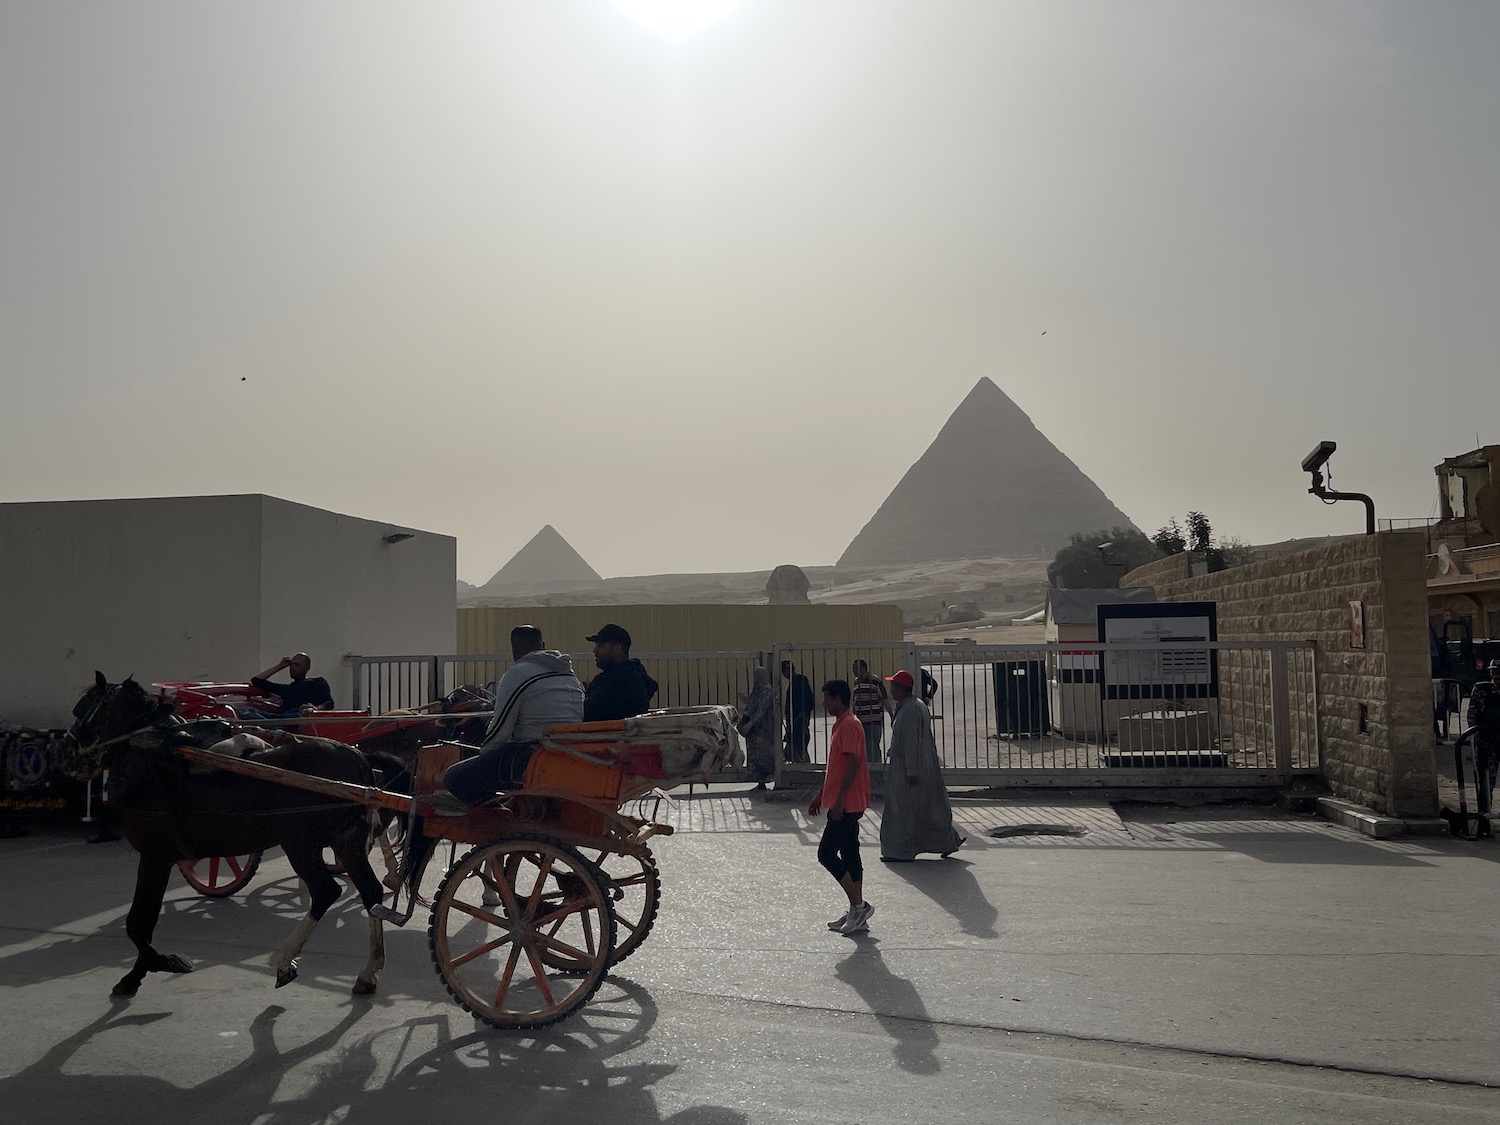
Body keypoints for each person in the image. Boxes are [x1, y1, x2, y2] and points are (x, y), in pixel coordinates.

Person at [443, 625, 584, 804]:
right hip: (567, 753)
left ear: (514, 648)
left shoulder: (518, 673)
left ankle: (495, 819)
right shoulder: (569, 675)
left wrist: (484, 755)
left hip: (530, 755)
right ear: (543, 645)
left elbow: (500, 729)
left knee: (454, 778)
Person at [880, 670, 965, 862]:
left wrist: (911, 770)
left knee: (902, 811)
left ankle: (899, 851)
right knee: (926, 810)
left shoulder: (910, 709)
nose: (890, 690)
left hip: (909, 770)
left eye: (893, 686)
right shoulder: (912, 705)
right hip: (916, 765)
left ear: (901, 689)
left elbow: (911, 741)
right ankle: (946, 841)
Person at [811, 679, 874, 935]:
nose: (824, 703)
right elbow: (835, 766)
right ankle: (856, 910)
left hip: (847, 803)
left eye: (827, 698)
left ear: (837, 699)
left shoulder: (848, 725)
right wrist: (820, 795)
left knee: (826, 853)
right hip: (846, 801)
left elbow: (852, 765)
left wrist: (838, 801)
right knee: (849, 853)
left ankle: (860, 906)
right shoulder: (843, 723)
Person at [583, 624, 659, 721]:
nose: (595, 651)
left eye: (600, 645)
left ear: (618, 648)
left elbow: (591, 710)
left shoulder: (620, 680)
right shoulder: (635, 676)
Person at [242, 653, 334, 718]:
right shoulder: (286, 689)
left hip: (301, 716)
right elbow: (256, 680)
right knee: (247, 711)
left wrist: (315, 709)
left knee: (298, 714)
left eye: (297, 665)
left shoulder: (318, 682)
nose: (292, 668)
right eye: (291, 664)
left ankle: (276, 730)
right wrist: (280, 666)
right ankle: (276, 730)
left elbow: (329, 702)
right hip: (283, 718)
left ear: (307, 668)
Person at [1466, 660, 1500, 814]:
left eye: (1498, 672)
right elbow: (1472, 715)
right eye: (1493, 672)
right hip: (1487, 742)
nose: (1495, 675)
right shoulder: (1482, 689)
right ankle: (1484, 820)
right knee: (1486, 783)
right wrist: (1477, 737)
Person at [736, 666, 777, 789]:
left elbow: (761, 710)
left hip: (763, 730)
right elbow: (752, 706)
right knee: (754, 755)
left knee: (763, 755)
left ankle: (765, 779)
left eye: (756, 675)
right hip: (754, 731)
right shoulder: (756, 689)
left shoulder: (767, 691)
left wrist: (750, 724)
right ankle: (759, 781)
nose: (754, 677)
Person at [850, 659, 889, 765]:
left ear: (863, 668)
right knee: (862, 750)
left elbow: (885, 699)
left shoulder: (874, 680)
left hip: (873, 721)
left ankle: (876, 772)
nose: (853, 670)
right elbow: (855, 701)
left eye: (855, 668)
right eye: (853, 668)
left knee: (872, 749)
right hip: (860, 722)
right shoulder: (856, 682)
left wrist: (892, 715)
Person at [781, 660, 815, 763]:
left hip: (798, 720)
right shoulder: (796, 681)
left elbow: (808, 701)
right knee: (795, 746)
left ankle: (804, 767)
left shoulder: (800, 681)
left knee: (798, 746)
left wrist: (801, 716)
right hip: (794, 720)